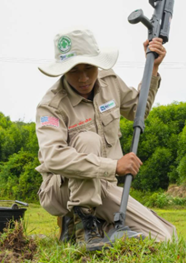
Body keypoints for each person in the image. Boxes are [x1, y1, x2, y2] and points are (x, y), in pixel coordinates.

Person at [35, 29, 177, 251]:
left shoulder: (109, 82)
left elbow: (138, 111)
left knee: (166, 237)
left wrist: (153, 68)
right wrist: (113, 166)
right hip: (61, 190)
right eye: (74, 71)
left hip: (103, 185)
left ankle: (101, 228)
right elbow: (52, 158)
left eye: (89, 68)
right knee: (88, 140)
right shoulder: (51, 106)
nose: (83, 78)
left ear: (97, 65)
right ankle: (84, 228)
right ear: (63, 71)